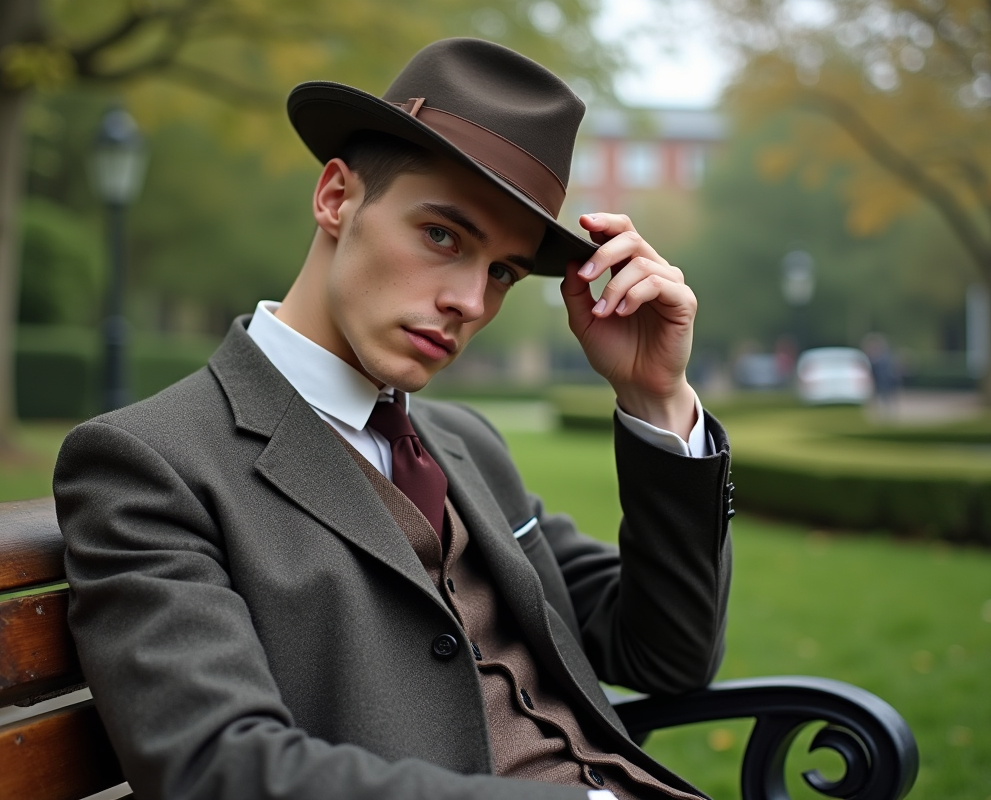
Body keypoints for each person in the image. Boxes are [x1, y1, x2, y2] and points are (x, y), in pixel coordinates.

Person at [54, 38, 733, 800]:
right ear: (335, 197)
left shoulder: (467, 445)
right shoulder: (150, 465)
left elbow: (667, 655)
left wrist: (656, 397)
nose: (469, 301)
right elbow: (219, 768)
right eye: (443, 236)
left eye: (502, 271)